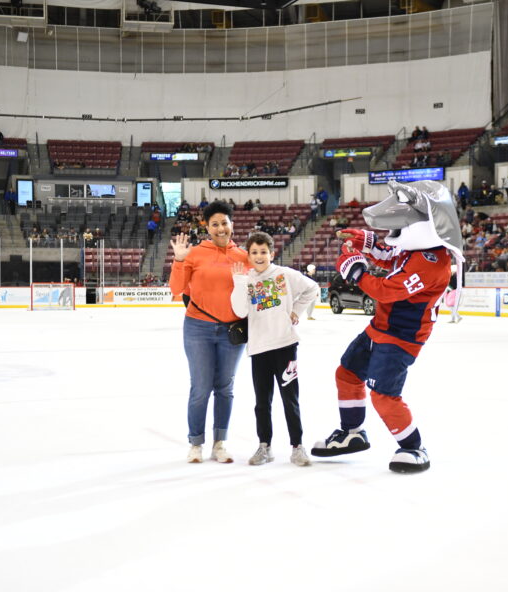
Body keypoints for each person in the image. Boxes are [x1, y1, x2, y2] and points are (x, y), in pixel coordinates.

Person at [312, 180, 463, 474]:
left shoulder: (432, 262)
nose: (393, 234)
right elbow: (389, 253)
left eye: (398, 228)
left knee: (384, 395)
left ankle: (414, 447)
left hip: (401, 337)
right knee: (348, 374)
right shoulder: (416, 248)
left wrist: (355, 270)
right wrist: (366, 243)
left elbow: (385, 290)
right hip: (379, 327)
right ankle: (353, 433)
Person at [230, 231, 320, 467]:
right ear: (248, 255)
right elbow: (240, 311)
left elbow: (312, 288)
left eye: (263, 252)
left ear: (271, 253)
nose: (259, 256)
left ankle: (297, 447)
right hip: (259, 349)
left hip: (285, 346)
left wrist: (296, 311)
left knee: (290, 399)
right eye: (254, 252)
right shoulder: (245, 279)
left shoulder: (284, 274)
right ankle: (264, 446)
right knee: (262, 402)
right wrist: (239, 282)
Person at [169, 201, 249, 464]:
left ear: (232, 224)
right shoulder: (194, 253)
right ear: (206, 226)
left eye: (224, 223)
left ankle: (220, 443)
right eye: (214, 224)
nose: (220, 228)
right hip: (198, 328)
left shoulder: (243, 256)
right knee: (201, 387)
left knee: (225, 388)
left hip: (232, 330)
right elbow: (177, 289)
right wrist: (179, 261)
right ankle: (195, 443)